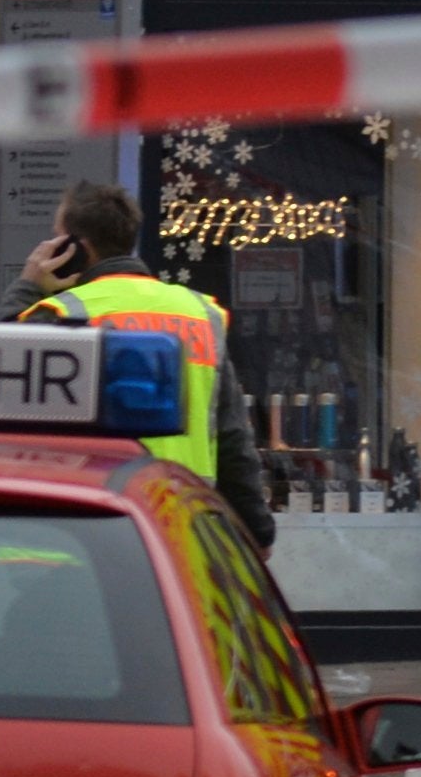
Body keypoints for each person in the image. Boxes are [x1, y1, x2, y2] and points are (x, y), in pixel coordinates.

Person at [14, 182, 271, 549]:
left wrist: (28, 284)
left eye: (55, 240)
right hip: (183, 528)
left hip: (91, 526)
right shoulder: (199, 313)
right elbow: (232, 439)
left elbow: (1, 382)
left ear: (75, 248)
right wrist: (258, 531)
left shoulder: (63, 313)